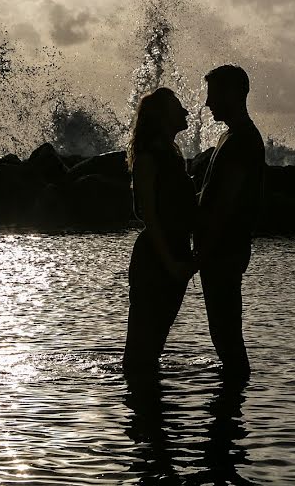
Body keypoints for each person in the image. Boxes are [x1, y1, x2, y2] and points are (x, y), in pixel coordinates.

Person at [195, 65, 265, 382]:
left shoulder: (243, 140)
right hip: (221, 248)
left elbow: (226, 203)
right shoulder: (230, 136)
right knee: (222, 330)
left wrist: (203, 251)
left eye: (213, 95)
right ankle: (230, 400)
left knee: (225, 333)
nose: (208, 103)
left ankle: (233, 399)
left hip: (224, 249)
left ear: (233, 94)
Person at [123, 87, 197, 381]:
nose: (186, 111)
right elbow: (149, 216)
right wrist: (172, 264)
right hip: (156, 259)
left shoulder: (170, 155)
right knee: (142, 349)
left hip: (173, 252)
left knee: (153, 347)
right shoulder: (149, 158)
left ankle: (151, 414)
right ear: (164, 117)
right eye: (178, 107)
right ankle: (141, 415)